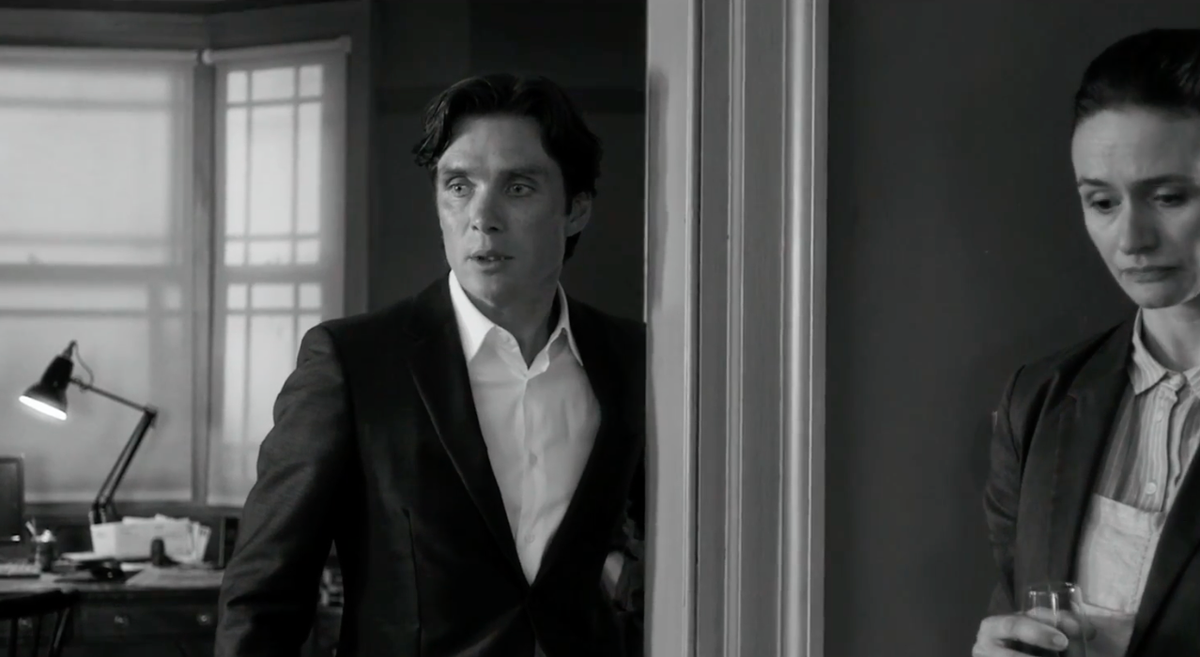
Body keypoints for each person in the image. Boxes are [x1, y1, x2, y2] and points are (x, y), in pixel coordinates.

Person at [214, 73, 645, 657]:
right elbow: (263, 600)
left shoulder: (634, 360)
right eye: (459, 186)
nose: (482, 217)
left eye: (518, 187)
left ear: (576, 209)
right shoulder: (352, 365)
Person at [973, 29, 1200, 657]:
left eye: (1169, 197)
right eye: (1101, 201)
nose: (1132, 239)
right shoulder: (1039, 400)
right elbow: (1019, 610)